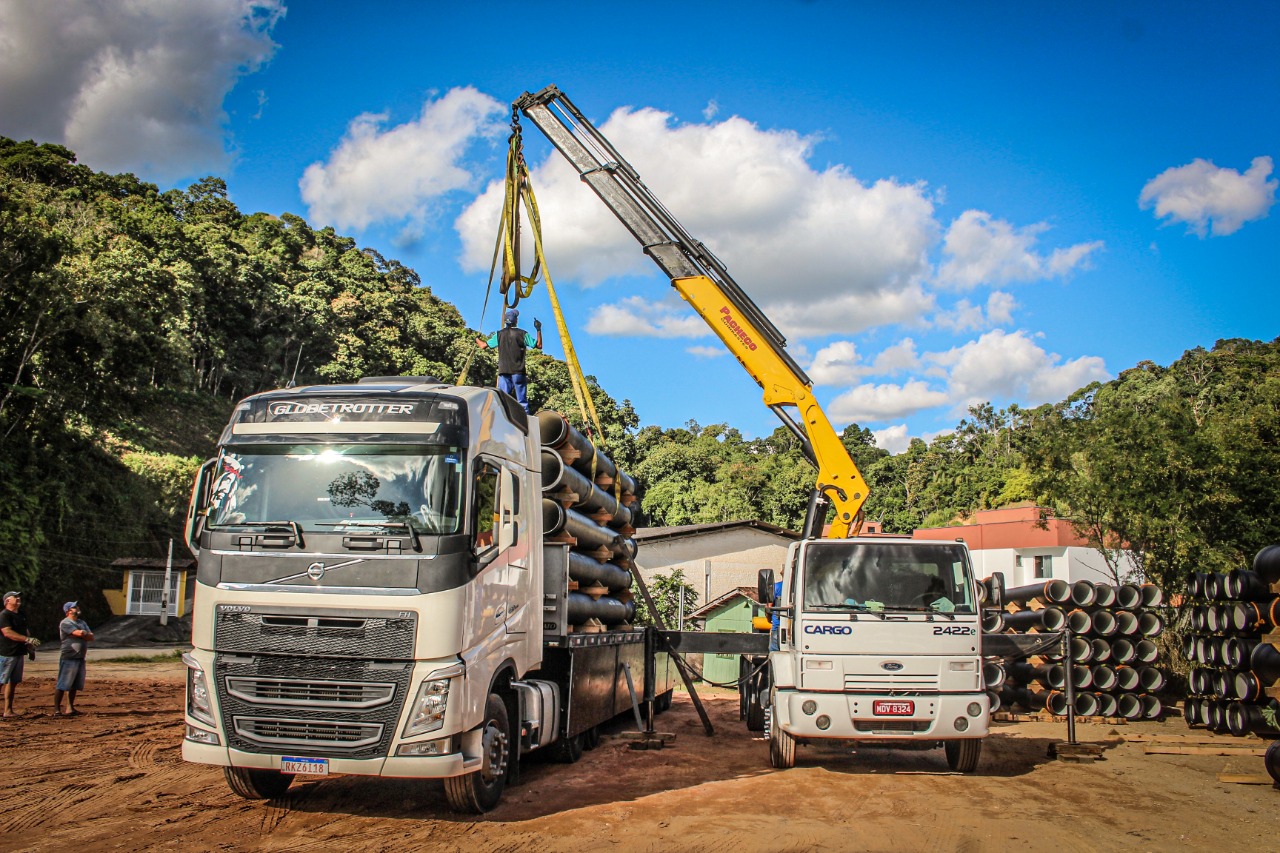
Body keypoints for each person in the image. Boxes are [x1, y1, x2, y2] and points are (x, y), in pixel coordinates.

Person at [475, 308, 542, 413]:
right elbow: (538, 345)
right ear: (516, 321)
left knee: (502, 399)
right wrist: (538, 329)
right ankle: (526, 422)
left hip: (504, 371)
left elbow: (483, 345)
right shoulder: (522, 334)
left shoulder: (499, 334)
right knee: (522, 401)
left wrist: (476, 339)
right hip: (518, 371)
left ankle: (501, 419)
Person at [0, 591, 40, 717]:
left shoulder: (21, 614)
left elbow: (25, 631)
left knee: (13, 682)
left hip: (18, 653)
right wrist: (27, 640)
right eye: (15, 597)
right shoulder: (4, 615)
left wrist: (30, 648)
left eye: (18, 596)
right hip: (7, 653)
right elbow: (7, 633)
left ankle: (8, 710)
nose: (18, 598)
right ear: (7, 601)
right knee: (0, 681)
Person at [55, 601, 93, 716]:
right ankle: (57, 710)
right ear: (68, 611)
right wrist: (82, 634)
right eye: (74, 607)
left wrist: (83, 633)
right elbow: (79, 633)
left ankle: (70, 708)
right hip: (69, 657)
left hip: (80, 657)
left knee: (74, 685)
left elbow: (91, 637)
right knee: (63, 683)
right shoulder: (65, 623)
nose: (77, 608)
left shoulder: (81, 622)